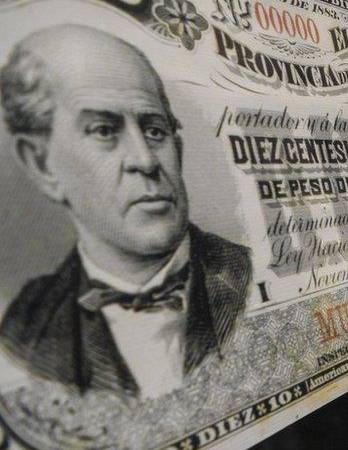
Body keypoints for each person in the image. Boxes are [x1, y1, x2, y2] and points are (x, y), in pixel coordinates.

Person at [0, 25, 252, 399]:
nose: (145, 160)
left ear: (178, 149)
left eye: (154, 130)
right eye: (104, 130)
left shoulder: (249, 271)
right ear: (41, 164)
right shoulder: (25, 328)